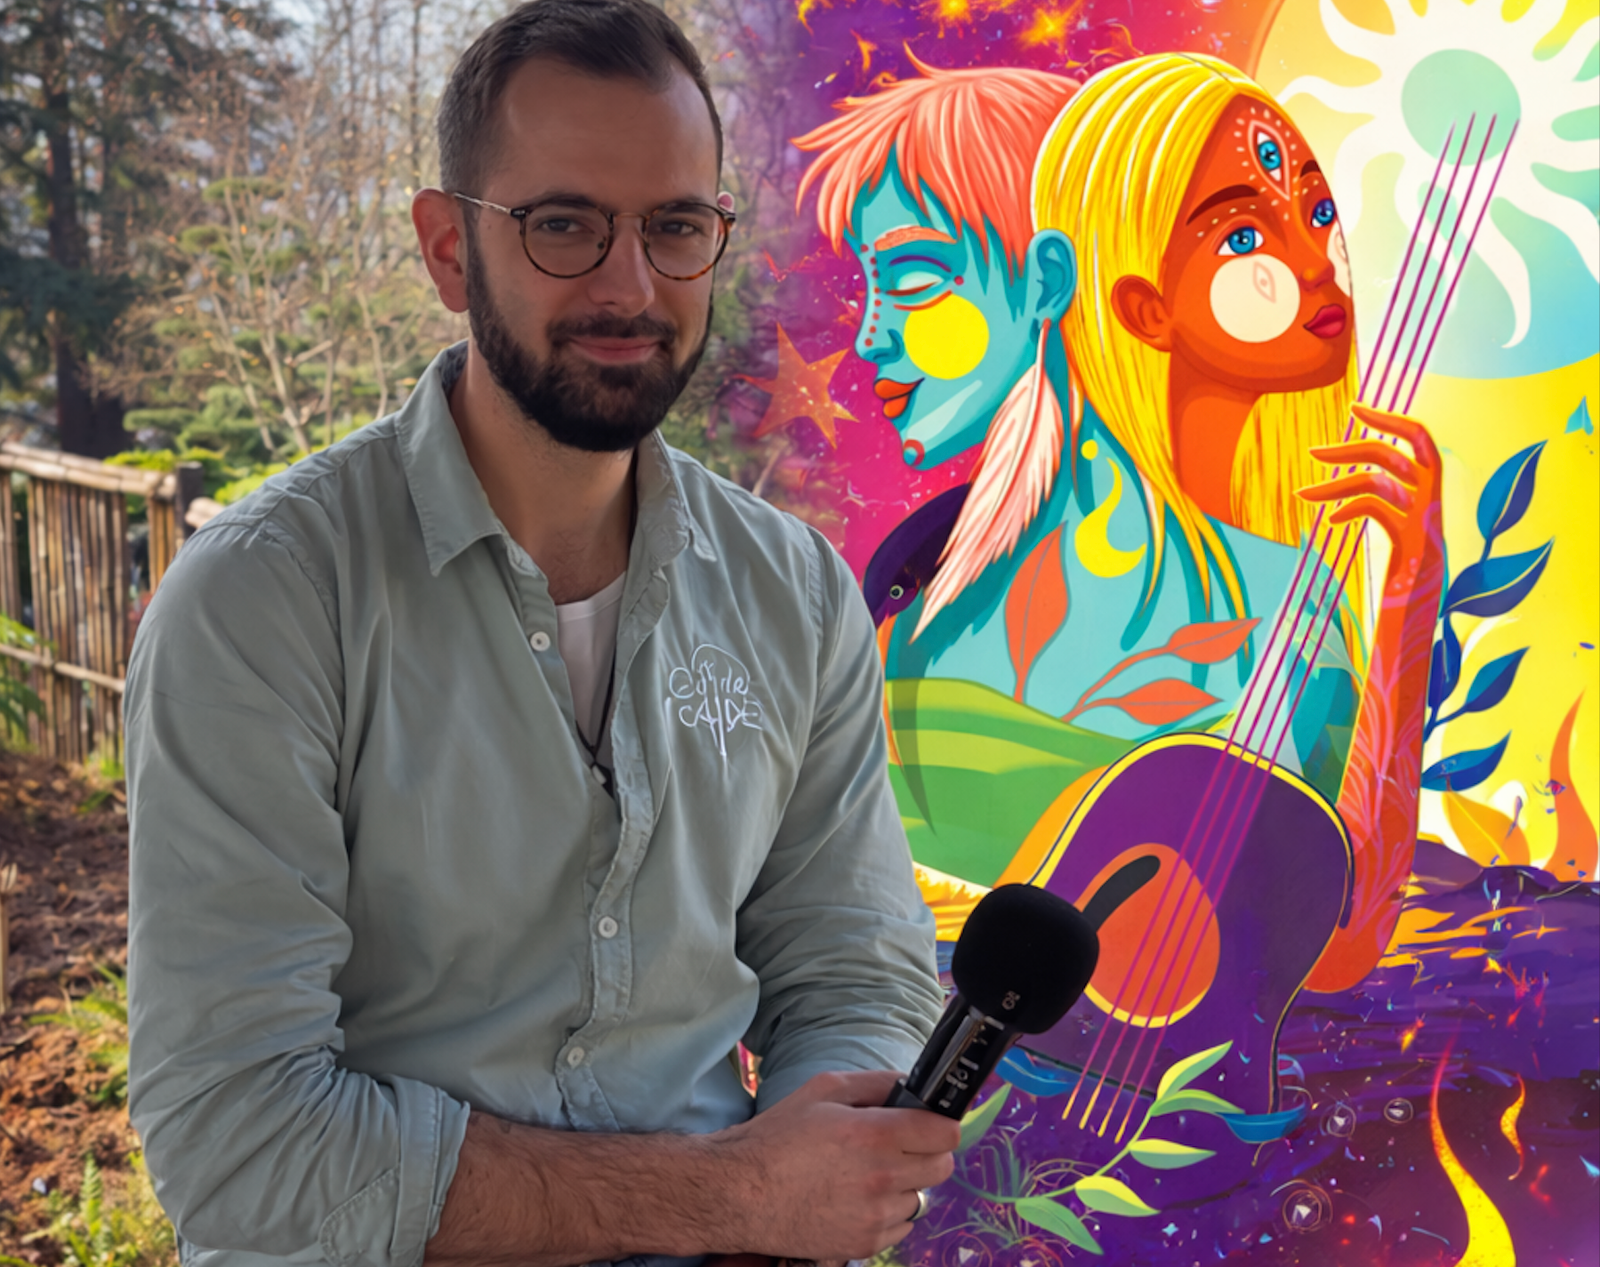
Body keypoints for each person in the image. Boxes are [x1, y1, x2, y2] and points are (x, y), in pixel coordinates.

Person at [123, 2, 952, 1265]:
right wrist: (729, 1195)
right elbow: (239, 1148)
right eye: (563, 224)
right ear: (449, 250)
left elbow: (852, 972)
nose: (630, 285)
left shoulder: (793, 594)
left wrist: (802, 1186)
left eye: (675, 226)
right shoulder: (264, 601)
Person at [797, 54, 1441, 995]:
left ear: (1058, 280)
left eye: (920, 279)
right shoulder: (905, 580)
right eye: (1244, 234)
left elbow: (1334, 948)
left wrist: (1411, 598)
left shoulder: (1286, 611)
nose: (869, 336)